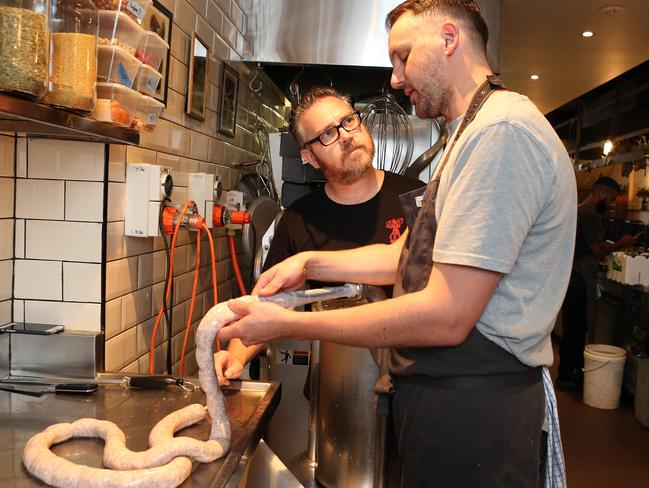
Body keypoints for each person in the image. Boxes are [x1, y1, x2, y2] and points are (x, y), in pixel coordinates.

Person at [213, 1, 576, 486]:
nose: (395, 78)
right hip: (446, 398)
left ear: (449, 40)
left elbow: (448, 314)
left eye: (403, 56)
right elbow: (404, 258)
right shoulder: (469, 135)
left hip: (476, 409)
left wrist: (281, 321)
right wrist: (308, 260)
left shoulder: (500, 134)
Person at [214, 86, 424, 383]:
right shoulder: (298, 219)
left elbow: (415, 274)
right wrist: (234, 357)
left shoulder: (416, 197)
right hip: (335, 388)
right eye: (327, 134)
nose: (346, 136)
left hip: (410, 381)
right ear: (310, 158)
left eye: (348, 121)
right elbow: (268, 303)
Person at [557, 176, 639, 390]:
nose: (611, 205)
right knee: (577, 328)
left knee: (573, 327)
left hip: (572, 276)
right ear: (602, 194)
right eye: (611, 199)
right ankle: (569, 375)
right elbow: (597, 248)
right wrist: (621, 244)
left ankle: (568, 372)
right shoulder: (589, 213)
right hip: (580, 278)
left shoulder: (580, 209)